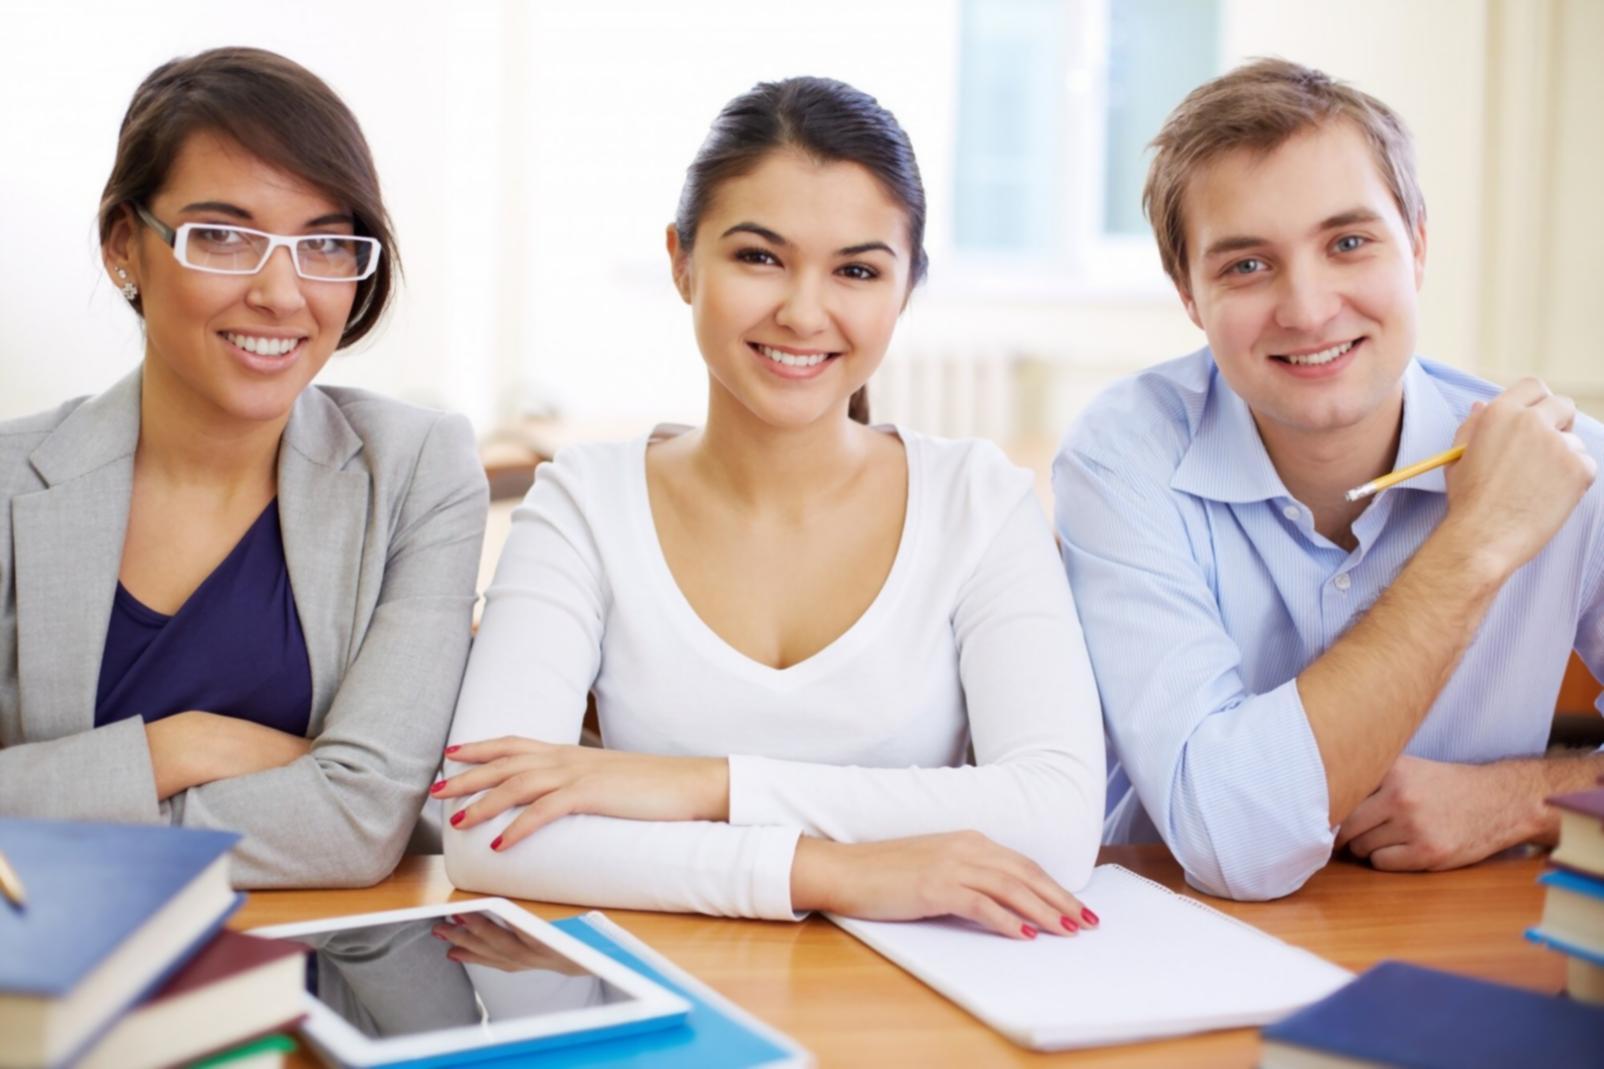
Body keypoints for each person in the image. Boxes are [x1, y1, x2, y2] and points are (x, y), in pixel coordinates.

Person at [440, 77, 1104, 939]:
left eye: (858, 270)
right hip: (672, 991)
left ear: (906, 289)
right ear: (682, 260)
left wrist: (703, 786)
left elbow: (1053, 819)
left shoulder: (979, 502)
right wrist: (830, 870)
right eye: (759, 257)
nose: (803, 311)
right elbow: (487, 833)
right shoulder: (583, 502)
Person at [1055, 58, 1604, 901]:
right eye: (1246, 265)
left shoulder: (1566, 466)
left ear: (1416, 246)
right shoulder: (1124, 458)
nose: (1308, 309)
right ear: (1189, 296)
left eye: (1349, 243)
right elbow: (1232, 841)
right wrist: (1477, 542)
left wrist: (1518, 799)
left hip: (1467, 945)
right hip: (1172, 938)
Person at [0, 48, 488, 887]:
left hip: (328, 983)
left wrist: (48, 816)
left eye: (326, 244)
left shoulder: (417, 472)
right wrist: (177, 746)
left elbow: (358, 824)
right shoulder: (13, 482)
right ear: (126, 246)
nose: (281, 292)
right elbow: (336, 817)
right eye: (222, 236)